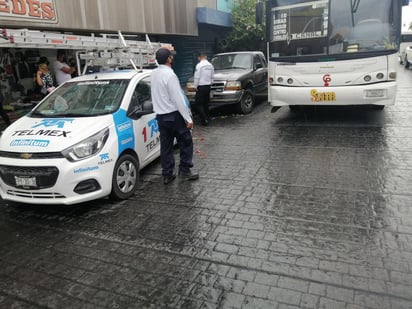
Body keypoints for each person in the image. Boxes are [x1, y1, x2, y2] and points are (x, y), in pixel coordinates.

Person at [151, 47, 199, 184]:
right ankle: (184, 170)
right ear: (169, 59)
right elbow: (178, 99)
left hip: (161, 117)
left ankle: (167, 174)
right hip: (174, 116)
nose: (172, 58)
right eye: (171, 56)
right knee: (186, 142)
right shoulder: (170, 75)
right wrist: (188, 118)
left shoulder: (153, 74)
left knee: (166, 146)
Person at [193, 52, 214, 126]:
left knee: (198, 104)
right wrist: (210, 85)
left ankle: (204, 119)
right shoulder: (210, 65)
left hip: (201, 86)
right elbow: (212, 77)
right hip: (208, 86)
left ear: (199, 58)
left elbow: (197, 77)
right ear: (206, 57)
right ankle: (207, 118)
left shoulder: (199, 65)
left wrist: (195, 86)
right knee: (205, 103)